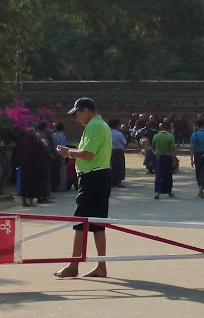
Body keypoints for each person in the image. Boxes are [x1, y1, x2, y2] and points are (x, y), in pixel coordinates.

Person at [54, 97, 112, 279]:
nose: (77, 118)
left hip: (92, 178)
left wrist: (68, 152)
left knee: (81, 223)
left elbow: (88, 153)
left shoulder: (94, 126)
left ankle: (73, 265)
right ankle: (101, 266)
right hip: (99, 176)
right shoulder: (100, 125)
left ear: (86, 110)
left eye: (78, 113)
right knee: (97, 224)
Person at [16, 129, 46, 207]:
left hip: (25, 165)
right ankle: (31, 202)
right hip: (34, 166)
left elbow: (18, 153)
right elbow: (43, 148)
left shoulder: (23, 143)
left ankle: (24, 201)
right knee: (32, 183)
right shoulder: (37, 143)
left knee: (24, 183)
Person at [151, 121, 177, 199]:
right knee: (168, 175)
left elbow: (153, 147)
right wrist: (174, 160)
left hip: (158, 157)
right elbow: (172, 150)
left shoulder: (156, 136)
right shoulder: (170, 137)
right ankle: (169, 191)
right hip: (167, 157)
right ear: (169, 128)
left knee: (158, 175)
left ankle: (157, 192)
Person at [108, 118, 127, 188]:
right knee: (120, 166)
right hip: (119, 151)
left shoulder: (108, 133)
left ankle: (112, 182)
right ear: (116, 126)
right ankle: (119, 182)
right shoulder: (119, 134)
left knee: (112, 166)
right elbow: (124, 142)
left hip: (110, 150)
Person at [52, 122, 68, 191]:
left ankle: (59, 185)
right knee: (62, 171)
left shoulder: (55, 136)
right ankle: (62, 185)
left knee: (58, 171)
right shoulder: (63, 136)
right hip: (63, 154)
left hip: (57, 155)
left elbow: (55, 147)